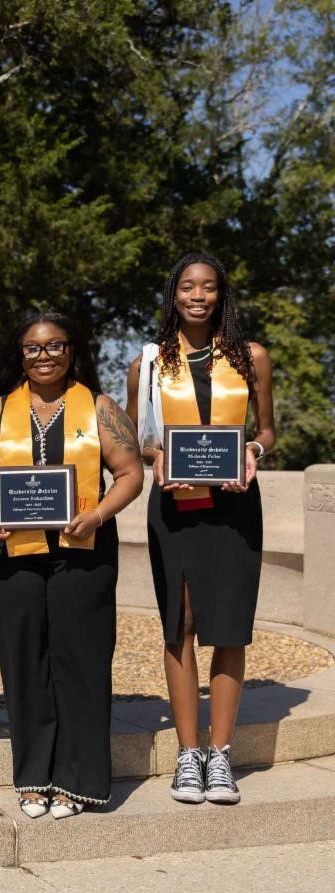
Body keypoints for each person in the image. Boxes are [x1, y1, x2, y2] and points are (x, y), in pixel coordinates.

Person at [0, 311, 144, 819]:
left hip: (82, 550)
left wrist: (100, 514)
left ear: (71, 350)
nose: (44, 356)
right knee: (25, 662)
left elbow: (130, 473)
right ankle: (34, 779)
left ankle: (78, 780)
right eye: (33, 348)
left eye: (55, 345)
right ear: (20, 355)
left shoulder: (100, 407)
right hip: (12, 555)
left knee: (81, 662)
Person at [125, 253, 275, 805]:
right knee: (180, 621)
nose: (197, 295)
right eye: (188, 286)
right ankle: (188, 756)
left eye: (208, 287)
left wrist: (254, 452)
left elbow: (265, 430)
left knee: (230, 625)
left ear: (220, 296)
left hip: (235, 503)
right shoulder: (148, 365)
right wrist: (156, 455)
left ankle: (221, 756)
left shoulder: (252, 357)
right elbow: (135, 440)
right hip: (175, 502)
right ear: (173, 293)